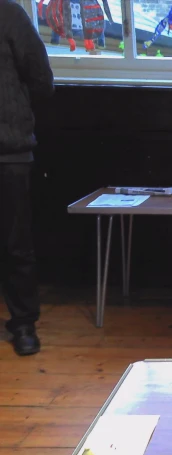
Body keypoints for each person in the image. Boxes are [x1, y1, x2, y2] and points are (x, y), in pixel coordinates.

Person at [0, 0, 55, 355]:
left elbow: (40, 78)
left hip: (8, 150)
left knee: (15, 243)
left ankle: (23, 325)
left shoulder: (9, 14)